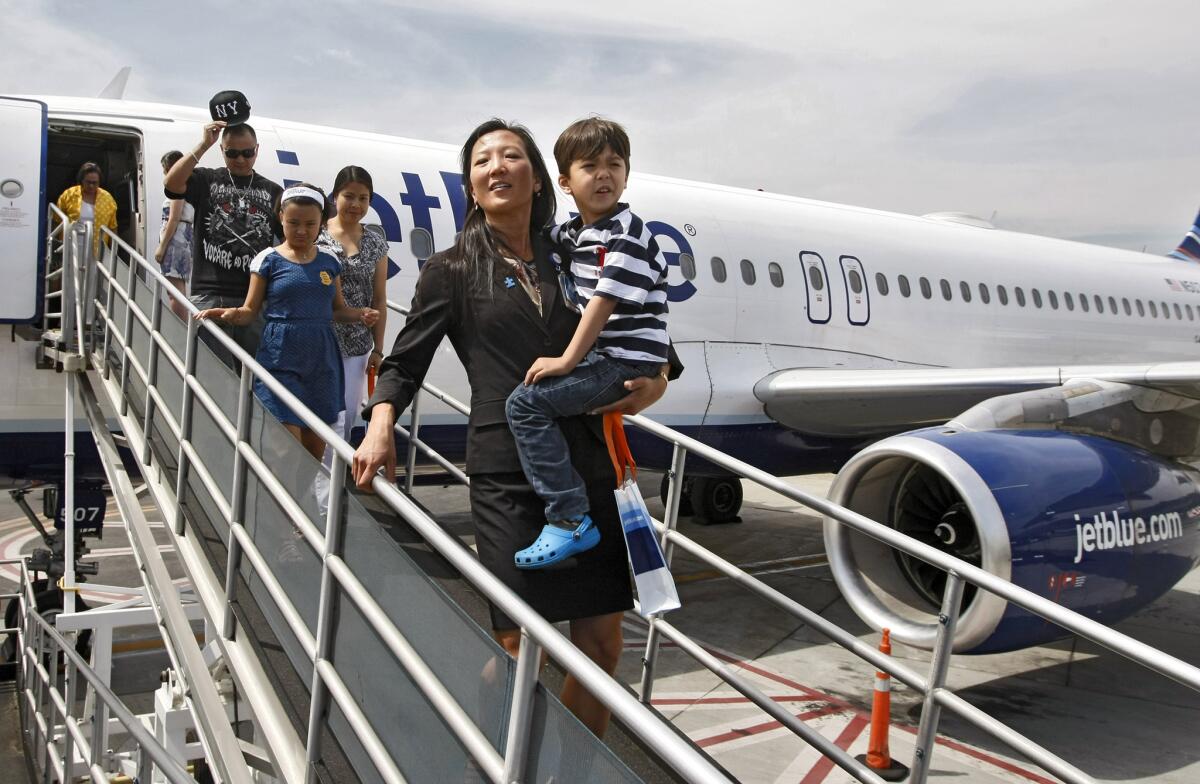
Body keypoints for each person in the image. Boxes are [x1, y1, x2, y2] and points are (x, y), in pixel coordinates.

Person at [351, 119, 676, 739]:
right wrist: (381, 422)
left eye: (511, 155)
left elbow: (640, 311)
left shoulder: (575, 249)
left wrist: (660, 378)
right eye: (482, 160)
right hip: (506, 470)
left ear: (537, 176)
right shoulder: (452, 269)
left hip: (589, 459)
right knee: (517, 646)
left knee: (603, 645)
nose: (496, 166)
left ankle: (576, 763)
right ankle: (488, 755)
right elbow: (407, 355)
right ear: (472, 185)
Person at [507, 117, 669, 570]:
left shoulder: (627, 234)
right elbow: (545, 238)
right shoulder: (581, 232)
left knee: (525, 405)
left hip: (622, 364)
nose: (604, 175)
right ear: (564, 182)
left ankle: (569, 518)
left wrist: (565, 360)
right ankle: (570, 515)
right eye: (590, 166)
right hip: (610, 358)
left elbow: (603, 303)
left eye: (614, 164)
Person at [196, 184, 378, 460]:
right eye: (293, 223)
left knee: (314, 450)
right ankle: (278, 501)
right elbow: (249, 310)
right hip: (281, 355)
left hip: (321, 359)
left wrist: (360, 314)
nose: (302, 231)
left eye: (310, 224)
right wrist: (230, 314)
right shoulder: (267, 260)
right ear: (280, 217)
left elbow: (338, 310)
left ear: (321, 224)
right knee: (285, 448)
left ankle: (299, 503)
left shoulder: (329, 261)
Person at [164, 119, 282, 362]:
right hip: (209, 294)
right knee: (212, 376)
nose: (240, 159)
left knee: (252, 377)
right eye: (232, 153)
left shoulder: (273, 191)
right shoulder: (207, 179)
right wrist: (203, 145)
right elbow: (172, 183)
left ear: (257, 150)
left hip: (253, 298)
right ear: (222, 151)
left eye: (247, 153)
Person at [317, 166, 390, 446]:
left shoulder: (375, 243)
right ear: (335, 197)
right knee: (319, 416)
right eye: (349, 196)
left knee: (345, 420)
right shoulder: (317, 235)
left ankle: (331, 484)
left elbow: (379, 299)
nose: (356, 205)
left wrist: (378, 349)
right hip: (319, 341)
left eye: (364, 198)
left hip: (356, 347)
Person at [155, 151, 194, 320]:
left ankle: (182, 329)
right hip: (181, 238)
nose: (165, 173)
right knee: (177, 289)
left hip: (176, 240)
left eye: (165, 169)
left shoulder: (178, 186)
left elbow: (174, 218)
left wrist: (162, 247)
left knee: (175, 291)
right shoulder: (186, 185)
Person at [56, 162, 118, 256]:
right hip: (71, 250)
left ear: (99, 182)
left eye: (95, 183)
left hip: (96, 253)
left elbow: (113, 227)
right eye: (88, 182)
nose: (91, 186)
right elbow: (57, 220)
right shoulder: (69, 195)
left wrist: (113, 253)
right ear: (81, 180)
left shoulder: (107, 198)